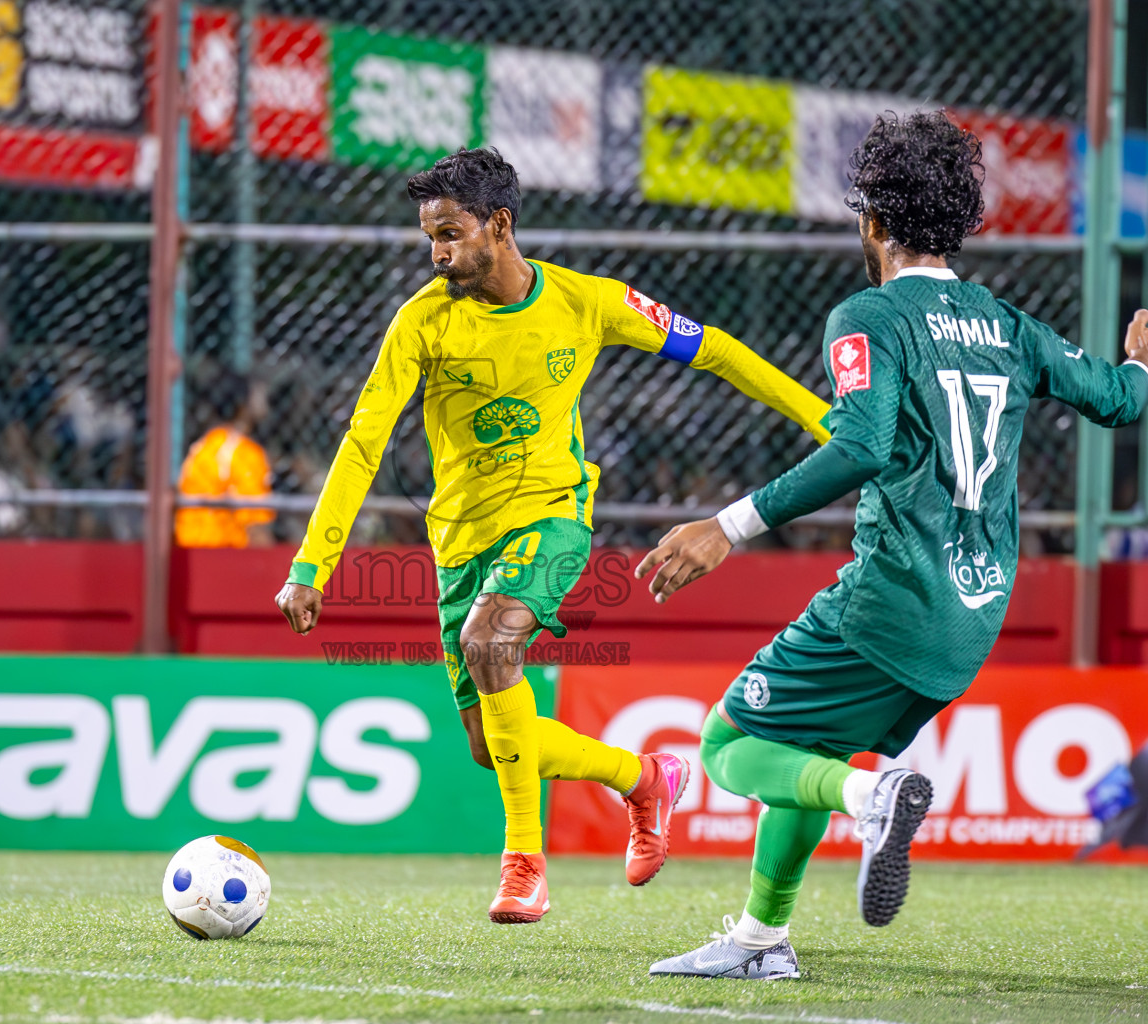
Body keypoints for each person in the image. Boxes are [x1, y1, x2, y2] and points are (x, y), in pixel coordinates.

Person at [635, 111, 1148, 980]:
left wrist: (726, 525)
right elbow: (1113, 399)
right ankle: (760, 941)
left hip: (888, 600)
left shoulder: (869, 315)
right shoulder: (1007, 324)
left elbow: (861, 444)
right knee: (806, 748)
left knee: (728, 745)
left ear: (873, 223)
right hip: (973, 615)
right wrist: (1145, 366)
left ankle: (873, 798)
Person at [274, 147, 834, 923]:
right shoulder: (422, 323)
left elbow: (714, 350)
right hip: (458, 545)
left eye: (450, 234)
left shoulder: (587, 301)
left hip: (553, 519)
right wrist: (312, 566)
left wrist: (826, 422)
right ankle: (643, 778)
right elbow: (363, 444)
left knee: (489, 640)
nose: (437, 254)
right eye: (430, 238)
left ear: (500, 225)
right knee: (490, 743)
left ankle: (523, 866)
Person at [176, 376, 275, 548]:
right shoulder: (245, 453)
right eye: (256, 393)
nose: (264, 397)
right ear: (241, 407)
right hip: (226, 552)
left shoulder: (205, 444)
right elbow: (256, 529)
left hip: (190, 550)